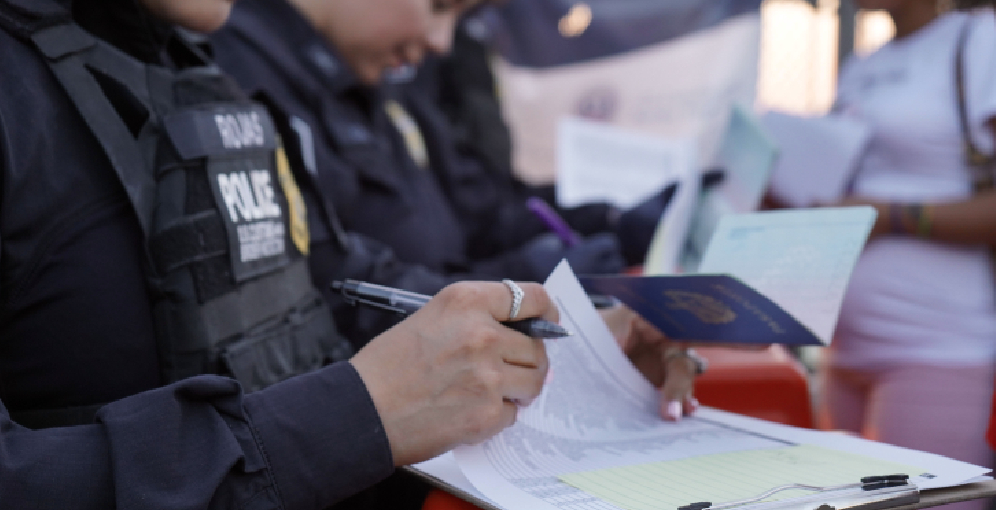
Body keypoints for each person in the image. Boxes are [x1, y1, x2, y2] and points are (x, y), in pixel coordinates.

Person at [0, 0, 699, 507]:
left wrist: (574, 342)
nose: (437, 39)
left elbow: (337, 280)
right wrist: (357, 414)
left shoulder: (189, 65)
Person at [207, 0, 634, 327]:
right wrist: (513, 285)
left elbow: (472, 215)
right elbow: (329, 290)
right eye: (438, 5)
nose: (441, 42)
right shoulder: (235, 70)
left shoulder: (368, 78)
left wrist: (615, 223)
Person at [795, 3, 996, 509]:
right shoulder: (862, 66)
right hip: (843, 352)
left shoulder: (978, 42)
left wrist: (889, 215)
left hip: (937, 346)